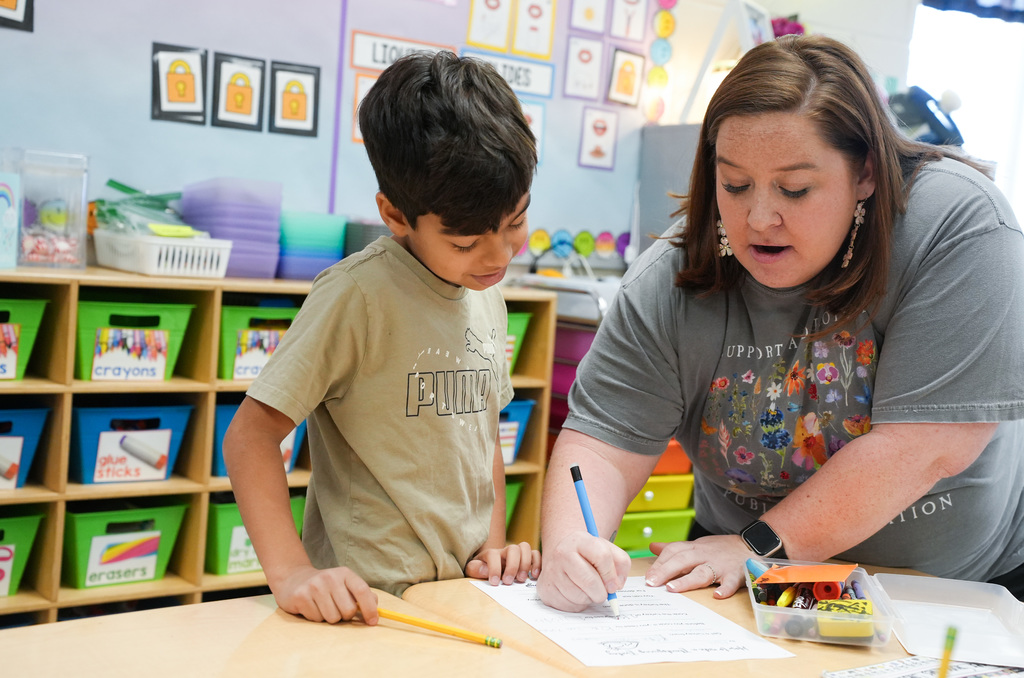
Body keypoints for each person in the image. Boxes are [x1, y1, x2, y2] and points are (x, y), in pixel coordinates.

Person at [537, 33, 1024, 612]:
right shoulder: (668, 279)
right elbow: (601, 442)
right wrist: (569, 544)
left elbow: (925, 446)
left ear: (865, 172)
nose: (759, 218)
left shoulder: (959, 225)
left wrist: (760, 545)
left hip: (946, 591)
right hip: (742, 575)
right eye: (734, 185)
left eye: (795, 189)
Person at [224, 50, 541, 625]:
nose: (499, 256)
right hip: (369, 606)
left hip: (464, 597)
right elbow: (249, 438)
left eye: (515, 221)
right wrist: (293, 573)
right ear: (395, 215)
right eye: (467, 242)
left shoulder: (486, 291)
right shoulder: (355, 297)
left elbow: (483, 436)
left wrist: (493, 549)